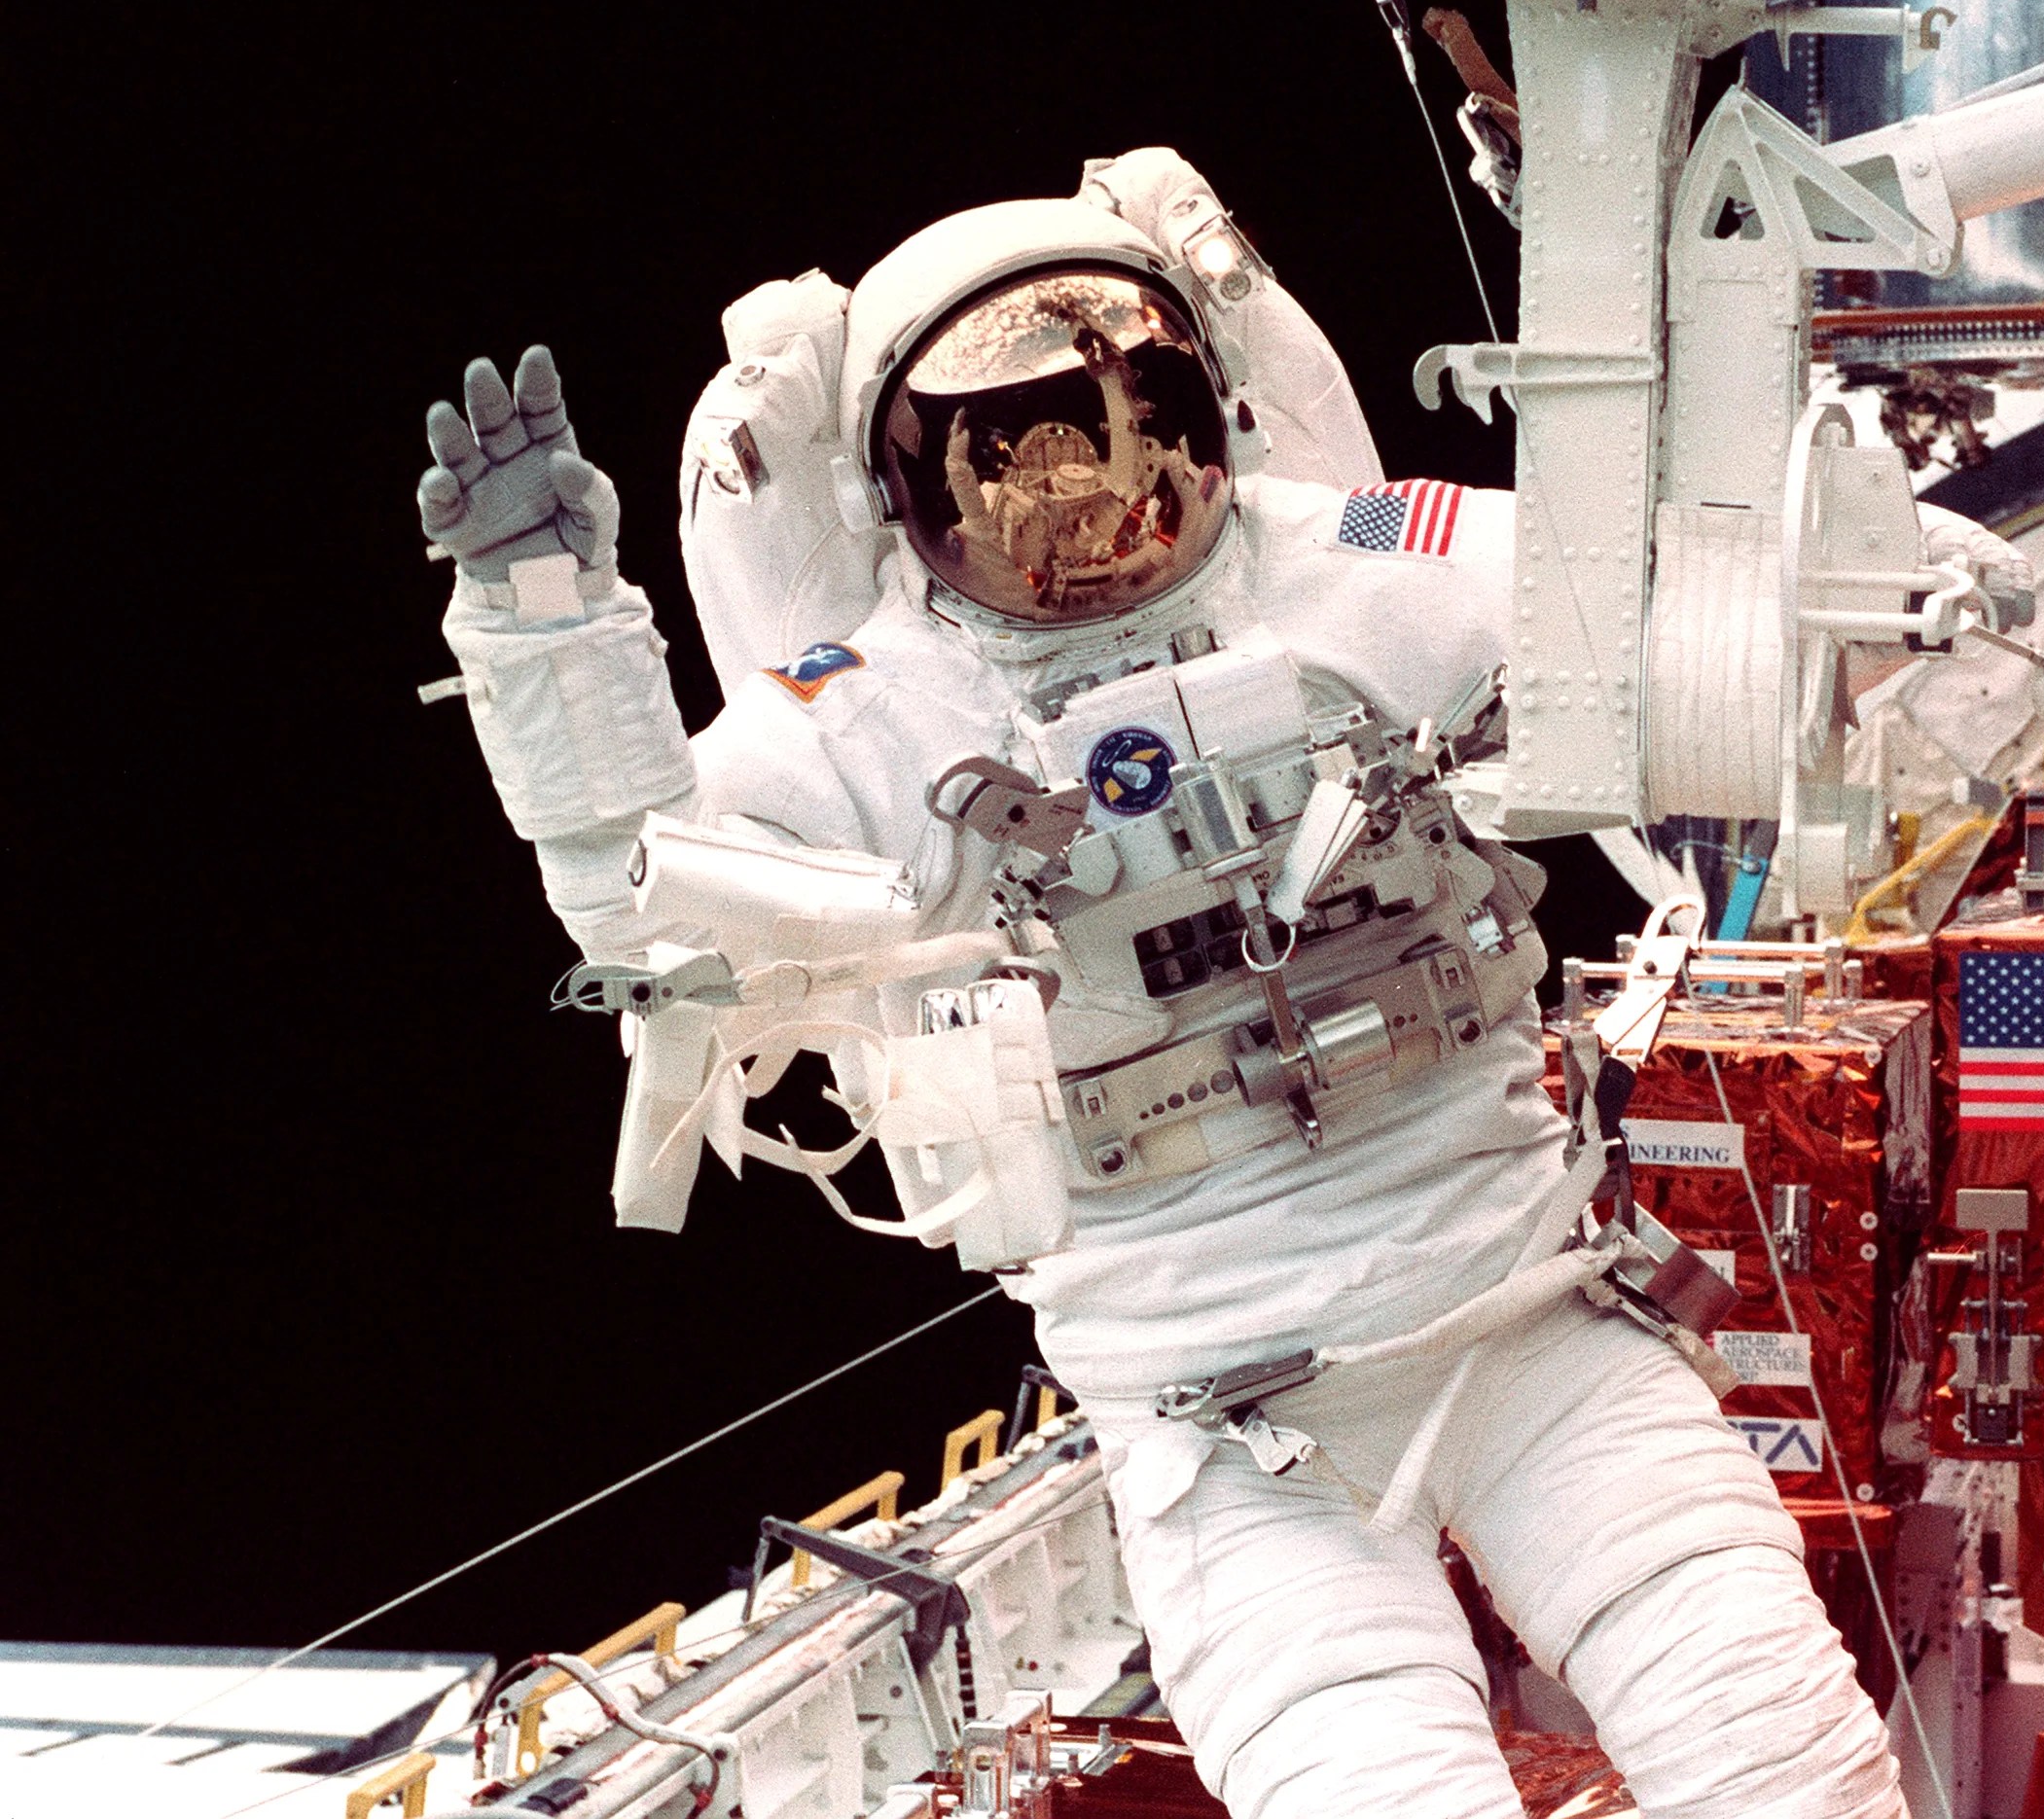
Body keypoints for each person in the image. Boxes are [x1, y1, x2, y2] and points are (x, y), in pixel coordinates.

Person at [415, 148, 1903, 1819]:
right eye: (1016, 459)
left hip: (1535, 1330)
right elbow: (645, 915)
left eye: (1131, 424)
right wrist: (547, 627)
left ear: (1207, 406)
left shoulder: (1359, 560)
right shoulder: (873, 709)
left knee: (1801, 1773)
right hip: (1227, 1430)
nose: (1089, 500)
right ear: (904, 490)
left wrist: (1841, 534)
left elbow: (1705, 622)